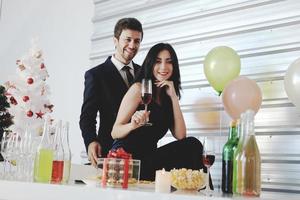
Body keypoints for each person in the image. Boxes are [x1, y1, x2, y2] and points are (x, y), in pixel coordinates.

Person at [110, 43, 205, 181]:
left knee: (192, 145)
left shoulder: (167, 97)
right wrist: (132, 125)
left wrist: (173, 97)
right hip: (128, 160)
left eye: (169, 62)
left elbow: (181, 135)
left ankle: (201, 193)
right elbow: (115, 131)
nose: (163, 67)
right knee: (193, 146)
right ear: (150, 64)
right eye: (158, 61)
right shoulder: (138, 89)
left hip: (149, 159)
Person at [79, 18, 143, 166]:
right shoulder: (96, 75)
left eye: (137, 41)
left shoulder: (145, 74)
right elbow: (87, 117)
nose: (132, 45)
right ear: (115, 40)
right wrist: (91, 141)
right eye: (127, 39)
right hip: (111, 152)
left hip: (142, 153)